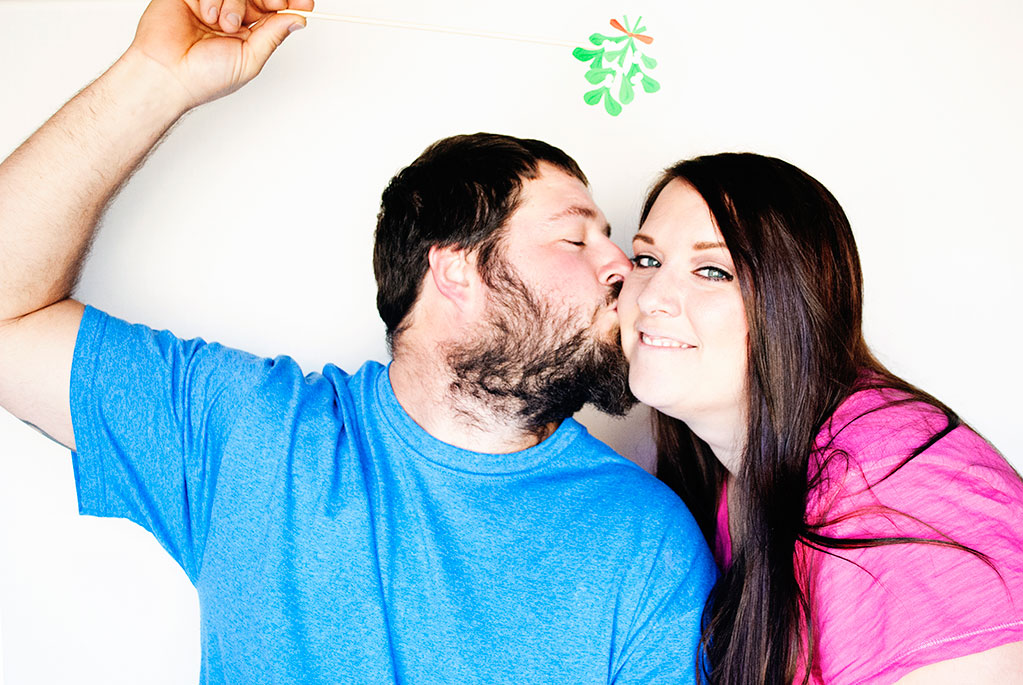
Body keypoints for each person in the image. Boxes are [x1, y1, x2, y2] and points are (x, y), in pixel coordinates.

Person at [0, 0, 716, 682]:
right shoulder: (249, 434)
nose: (621, 266)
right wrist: (154, 77)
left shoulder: (648, 543)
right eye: (575, 238)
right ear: (457, 270)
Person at [617, 152, 1023, 684]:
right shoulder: (719, 474)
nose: (651, 298)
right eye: (647, 260)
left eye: (712, 271)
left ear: (794, 302)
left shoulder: (896, 494)